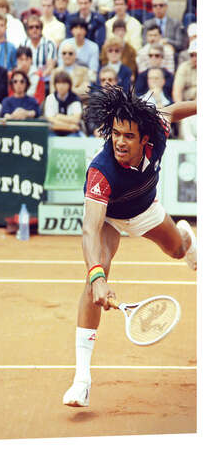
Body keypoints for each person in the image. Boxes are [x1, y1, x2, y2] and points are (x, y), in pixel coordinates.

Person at [62, 84, 197, 408]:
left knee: (177, 250)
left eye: (128, 136)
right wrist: (98, 277)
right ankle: (82, 379)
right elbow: (90, 230)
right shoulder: (101, 171)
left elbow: (175, 109)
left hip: (146, 210)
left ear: (144, 139)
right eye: (116, 134)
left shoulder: (158, 131)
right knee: (96, 274)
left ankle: (188, 243)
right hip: (109, 218)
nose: (120, 142)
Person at [59, 17, 99, 83]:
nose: (78, 31)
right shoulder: (64, 44)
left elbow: (93, 70)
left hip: (85, 79)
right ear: (71, 30)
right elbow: (61, 65)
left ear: (86, 31)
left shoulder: (93, 47)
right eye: (76, 28)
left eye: (81, 28)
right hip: (65, 78)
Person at [44, 71, 84, 136]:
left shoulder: (75, 98)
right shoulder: (50, 98)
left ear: (69, 85)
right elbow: (50, 121)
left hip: (72, 133)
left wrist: (58, 116)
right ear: (55, 85)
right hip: (55, 131)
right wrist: (70, 127)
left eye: (64, 83)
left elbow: (76, 120)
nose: (61, 86)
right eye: (58, 83)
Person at [23, 14, 57, 91]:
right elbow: (21, 65)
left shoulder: (49, 44)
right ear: (27, 30)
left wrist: (38, 77)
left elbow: (50, 67)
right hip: (27, 81)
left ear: (41, 29)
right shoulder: (23, 44)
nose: (34, 30)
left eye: (37, 27)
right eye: (31, 27)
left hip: (44, 80)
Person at [172, 40, 197, 140]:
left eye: (197, 55)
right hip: (189, 107)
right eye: (192, 55)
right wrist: (181, 109)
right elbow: (176, 92)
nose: (194, 58)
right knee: (186, 120)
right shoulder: (184, 67)